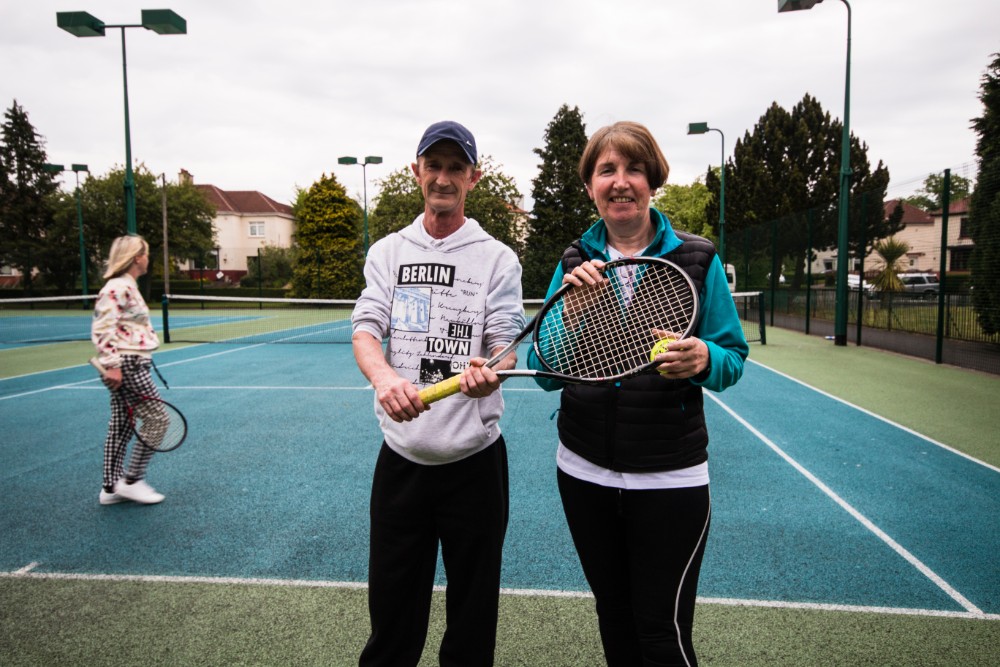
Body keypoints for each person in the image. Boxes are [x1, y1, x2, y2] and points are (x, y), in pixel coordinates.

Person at [528, 121, 749, 666]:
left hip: (670, 475)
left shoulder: (698, 259)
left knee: (662, 629)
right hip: (584, 473)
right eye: (607, 171)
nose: (620, 182)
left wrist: (703, 360)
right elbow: (542, 369)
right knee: (615, 617)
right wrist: (572, 315)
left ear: (653, 181)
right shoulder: (573, 261)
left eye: (634, 169)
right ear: (590, 187)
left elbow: (732, 358)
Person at [351, 120, 524, 667]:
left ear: (473, 177)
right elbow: (365, 329)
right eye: (435, 165)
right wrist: (385, 379)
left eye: (456, 168)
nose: (444, 177)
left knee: (473, 623)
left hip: (475, 466)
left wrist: (490, 370)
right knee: (393, 620)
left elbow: (504, 346)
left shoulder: (498, 258)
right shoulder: (387, 251)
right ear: (417, 172)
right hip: (401, 463)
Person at [91, 234, 166, 505]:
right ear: (137, 257)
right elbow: (102, 327)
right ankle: (132, 480)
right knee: (159, 420)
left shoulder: (127, 286)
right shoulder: (117, 287)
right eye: (145, 254)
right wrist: (112, 365)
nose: (148, 258)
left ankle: (111, 488)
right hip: (128, 365)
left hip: (130, 363)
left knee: (122, 425)